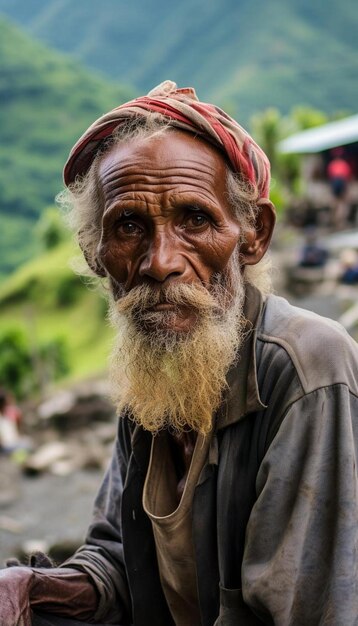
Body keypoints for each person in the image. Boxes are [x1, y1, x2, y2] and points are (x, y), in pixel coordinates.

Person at [1, 80, 358, 626]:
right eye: (128, 227)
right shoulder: (157, 368)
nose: (160, 261)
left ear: (252, 235)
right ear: (96, 255)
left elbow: (300, 611)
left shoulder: (308, 368)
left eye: (195, 219)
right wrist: (31, 587)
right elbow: (119, 559)